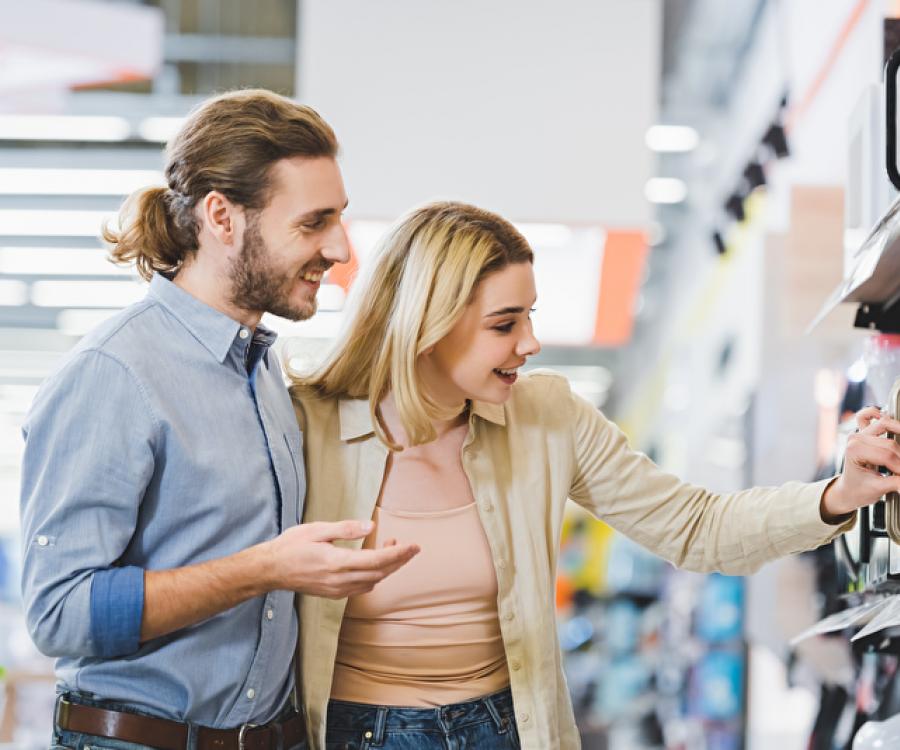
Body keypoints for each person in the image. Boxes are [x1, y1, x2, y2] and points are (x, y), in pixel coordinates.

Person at [290, 200, 900, 750]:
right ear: (426, 327)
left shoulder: (546, 416)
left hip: (510, 728)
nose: (530, 342)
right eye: (504, 324)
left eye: (529, 315)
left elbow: (696, 527)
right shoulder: (305, 427)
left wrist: (837, 495)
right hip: (360, 732)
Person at [19, 89, 418, 750]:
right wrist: (264, 569)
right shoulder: (114, 374)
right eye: (313, 223)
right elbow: (59, 613)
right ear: (221, 217)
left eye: (339, 219)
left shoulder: (262, 371)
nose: (341, 248)